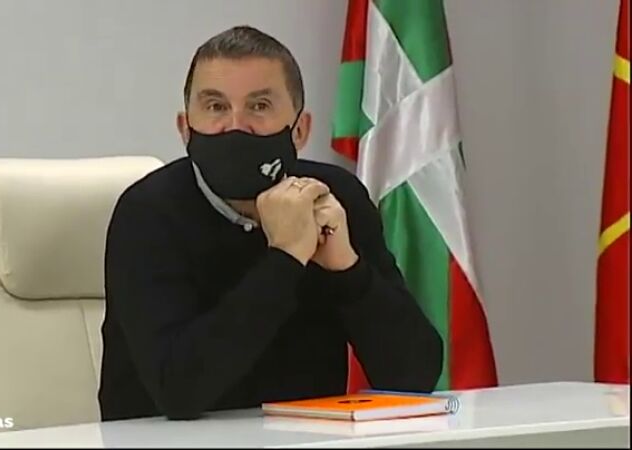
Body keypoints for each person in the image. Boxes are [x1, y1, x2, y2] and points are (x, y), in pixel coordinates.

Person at [98, 25, 443, 422]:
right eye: (215, 107)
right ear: (185, 128)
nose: (235, 126)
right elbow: (179, 390)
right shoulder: (148, 214)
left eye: (259, 106)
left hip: (308, 439)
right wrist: (286, 257)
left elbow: (414, 376)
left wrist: (347, 269)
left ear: (300, 130)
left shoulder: (334, 199)